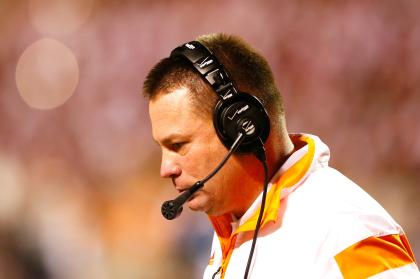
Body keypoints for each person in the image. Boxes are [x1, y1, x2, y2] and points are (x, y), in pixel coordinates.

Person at [142, 33, 419, 278]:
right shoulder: (235, 226)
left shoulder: (346, 230)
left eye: (178, 145)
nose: (166, 168)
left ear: (242, 126)